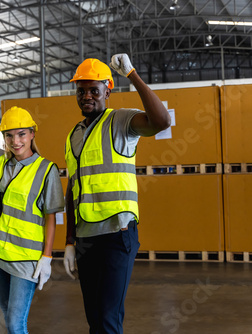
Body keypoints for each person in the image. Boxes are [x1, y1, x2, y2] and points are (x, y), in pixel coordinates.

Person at [63, 54, 171, 334]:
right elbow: (72, 188)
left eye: (94, 90)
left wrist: (132, 74)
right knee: (95, 318)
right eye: (81, 90)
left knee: (109, 317)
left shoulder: (120, 121)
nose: (87, 96)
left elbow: (161, 121)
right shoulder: (74, 134)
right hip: (86, 237)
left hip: (116, 234)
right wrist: (70, 242)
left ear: (107, 92)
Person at [0, 73, 65, 334]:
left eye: (21, 134)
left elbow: (51, 216)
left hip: (24, 260)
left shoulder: (46, 170)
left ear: (32, 133)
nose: (15, 141)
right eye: (9, 136)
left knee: (14, 323)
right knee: (8, 314)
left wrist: (47, 256)